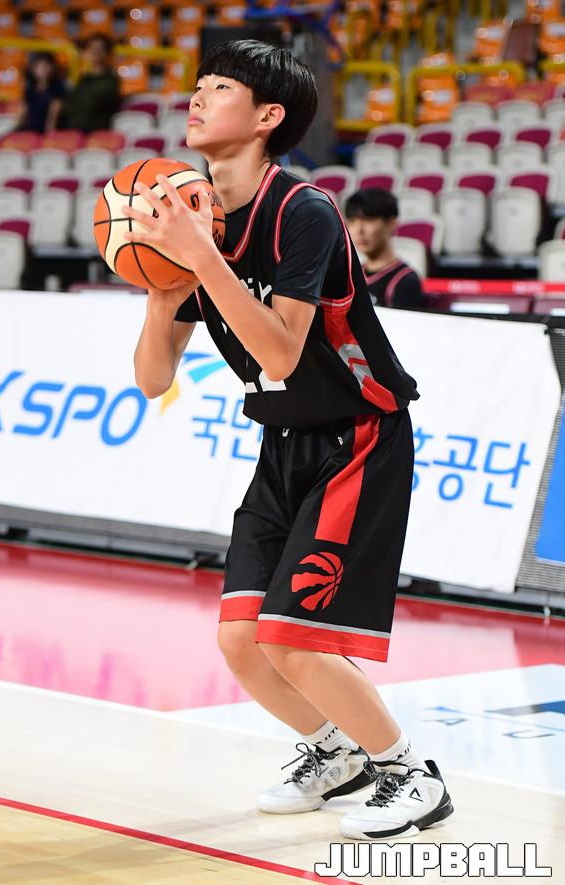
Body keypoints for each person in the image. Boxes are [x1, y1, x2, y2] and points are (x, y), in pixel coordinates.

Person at [129, 40, 454, 841]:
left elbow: (278, 351)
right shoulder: (195, 217)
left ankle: (414, 775)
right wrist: (161, 289)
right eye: (197, 85)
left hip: (358, 436)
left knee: (294, 638)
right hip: (282, 440)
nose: (197, 97)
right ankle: (336, 754)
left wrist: (200, 259)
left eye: (219, 88)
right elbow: (152, 377)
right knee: (242, 641)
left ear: (267, 116)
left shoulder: (302, 211)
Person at [345, 188, 425, 310]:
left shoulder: (406, 281)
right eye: (352, 221)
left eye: (368, 220)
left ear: (391, 223)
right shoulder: (351, 276)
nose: (358, 230)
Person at [59, 33, 120, 133]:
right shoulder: (81, 77)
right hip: (73, 130)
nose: (96, 52)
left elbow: (94, 103)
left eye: (100, 48)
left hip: (96, 132)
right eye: (91, 47)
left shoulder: (111, 80)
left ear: (107, 52)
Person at [17, 51, 67, 134]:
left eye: (46, 65)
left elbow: (53, 116)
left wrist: (49, 135)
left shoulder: (58, 89)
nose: (43, 69)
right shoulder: (30, 90)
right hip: (30, 130)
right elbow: (23, 114)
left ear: (53, 68)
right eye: (39, 65)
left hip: (46, 131)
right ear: (32, 68)